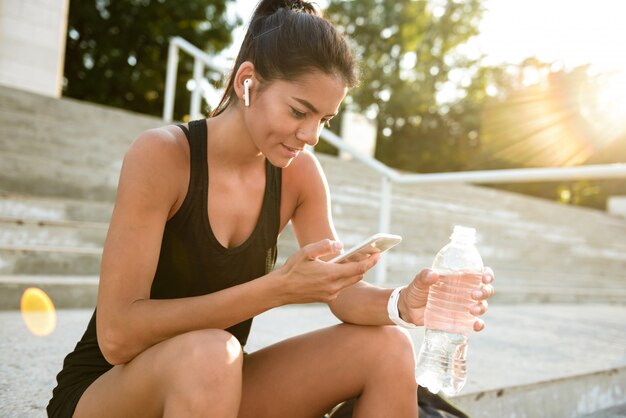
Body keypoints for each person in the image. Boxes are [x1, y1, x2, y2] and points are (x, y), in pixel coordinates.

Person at [47, 0, 495, 417]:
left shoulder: (299, 175)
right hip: (109, 391)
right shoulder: (163, 156)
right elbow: (117, 334)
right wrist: (276, 289)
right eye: (300, 111)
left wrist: (404, 304)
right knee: (212, 352)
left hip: (212, 385)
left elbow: (339, 292)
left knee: (389, 347)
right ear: (247, 82)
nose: (312, 135)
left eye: (324, 119)